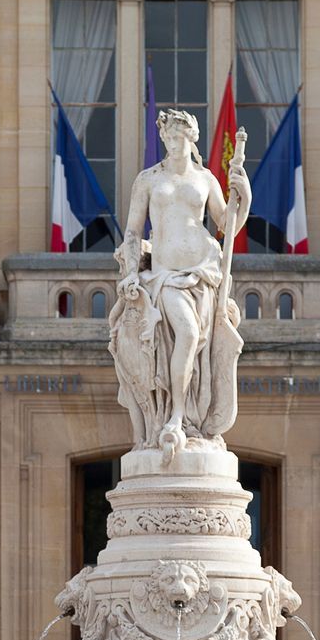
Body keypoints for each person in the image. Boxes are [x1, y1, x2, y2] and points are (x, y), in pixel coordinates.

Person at [110, 107, 252, 455]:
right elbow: (132, 232)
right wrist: (131, 272)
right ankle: (175, 417)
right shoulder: (148, 179)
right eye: (169, 137)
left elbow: (226, 225)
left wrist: (244, 196)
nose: (173, 143)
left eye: (179, 137)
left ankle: (187, 418)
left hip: (202, 274)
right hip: (164, 277)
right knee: (188, 333)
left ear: (192, 139)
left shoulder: (205, 179)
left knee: (195, 344)